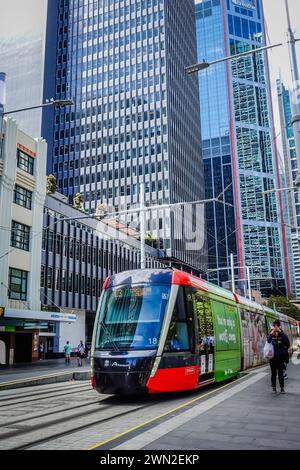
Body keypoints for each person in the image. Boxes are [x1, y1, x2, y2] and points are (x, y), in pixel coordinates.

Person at [267, 320, 290, 394]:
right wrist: (271, 333)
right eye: (274, 326)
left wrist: (280, 332)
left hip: (280, 358)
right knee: (273, 373)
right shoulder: (271, 333)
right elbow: (268, 341)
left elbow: (287, 342)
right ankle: (274, 387)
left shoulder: (282, 334)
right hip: (272, 358)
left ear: (279, 326)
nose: (275, 327)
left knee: (280, 373)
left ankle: (282, 388)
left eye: (276, 326)